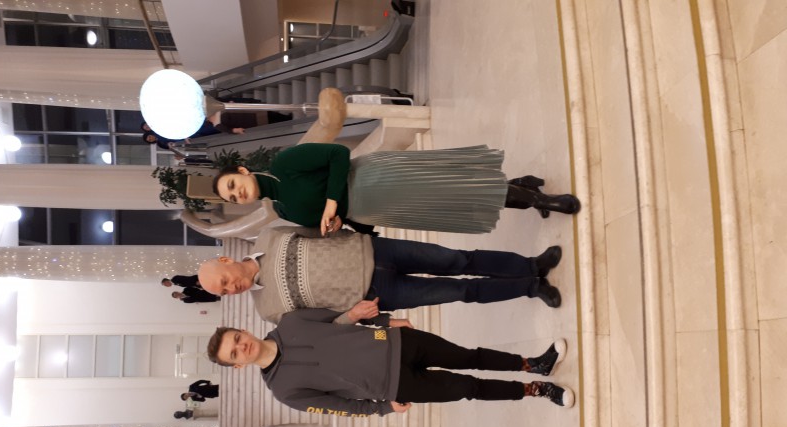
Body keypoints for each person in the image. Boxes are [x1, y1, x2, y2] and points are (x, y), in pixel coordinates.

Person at [206, 309, 574, 416]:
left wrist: (385, 321)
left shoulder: (291, 321)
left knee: (469, 355)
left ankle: (533, 364)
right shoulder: (284, 392)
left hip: (398, 342)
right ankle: (536, 390)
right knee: (468, 387)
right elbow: (340, 407)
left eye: (237, 339)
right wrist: (382, 408)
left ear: (242, 330)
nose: (242, 347)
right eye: (234, 353)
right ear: (237, 366)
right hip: (395, 386)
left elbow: (345, 314)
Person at [198, 226, 564, 322]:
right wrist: (360, 318)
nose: (232, 288)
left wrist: (348, 229)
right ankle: (531, 288)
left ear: (226, 261)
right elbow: (322, 323)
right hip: (378, 295)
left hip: (376, 250)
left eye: (225, 281)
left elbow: (317, 227)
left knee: (458, 260)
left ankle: (531, 266)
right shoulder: (268, 310)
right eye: (224, 292)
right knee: (460, 291)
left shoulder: (269, 235)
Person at [211, 143, 580, 237]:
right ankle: (525, 189)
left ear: (242, 171)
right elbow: (336, 218)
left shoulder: (284, 164)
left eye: (232, 185)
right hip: (377, 209)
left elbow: (338, 155)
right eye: (232, 198)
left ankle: (541, 200)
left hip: (378, 178)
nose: (237, 194)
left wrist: (331, 201)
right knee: (454, 202)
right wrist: (338, 222)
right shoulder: (284, 211)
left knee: (453, 188)